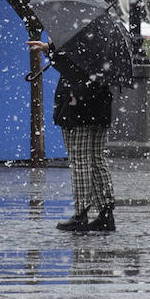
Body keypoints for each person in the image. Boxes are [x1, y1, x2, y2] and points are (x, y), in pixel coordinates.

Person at [27, 38, 117, 232]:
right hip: (100, 107)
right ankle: (106, 213)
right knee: (97, 159)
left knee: (80, 161)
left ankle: (81, 214)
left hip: (78, 108)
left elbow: (70, 67)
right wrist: (51, 49)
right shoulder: (102, 41)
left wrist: (52, 49)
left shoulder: (78, 40)